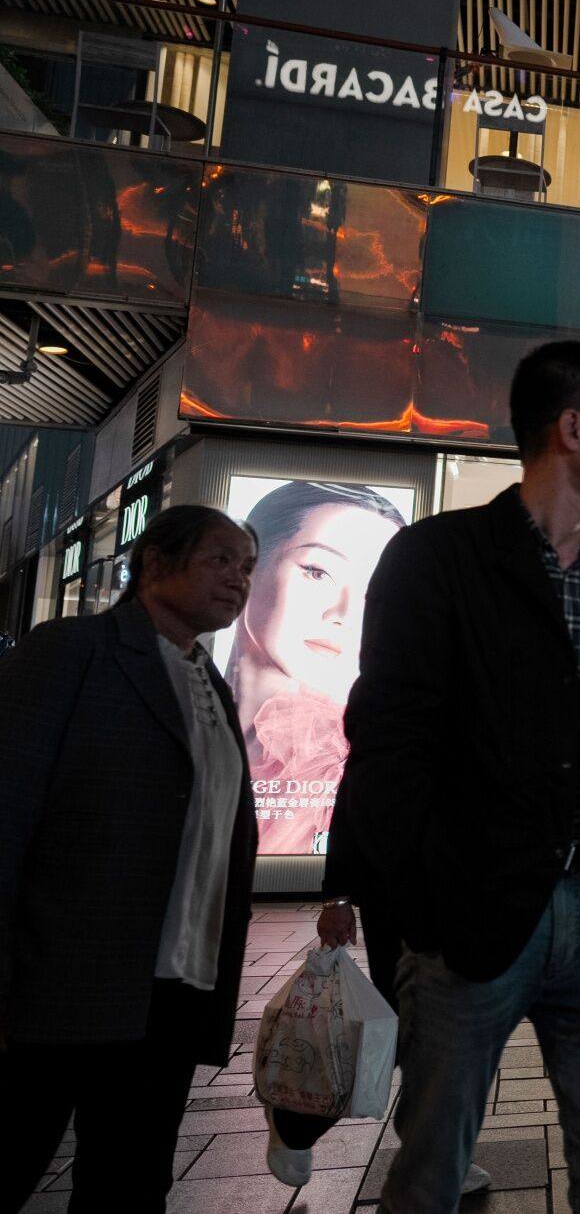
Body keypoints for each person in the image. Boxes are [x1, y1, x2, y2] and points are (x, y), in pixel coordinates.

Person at [333, 340, 580, 1213]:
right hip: (472, 914)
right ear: (572, 427)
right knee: (432, 1165)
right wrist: (403, 901)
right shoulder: (438, 557)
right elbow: (389, 736)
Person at [0, 506, 260, 1214]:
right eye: (221, 559)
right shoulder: (71, 651)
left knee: (132, 1179)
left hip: (173, 987)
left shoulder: (214, 686)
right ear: (152, 562)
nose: (238, 578)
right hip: (58, 981)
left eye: (247, 566)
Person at [225, 480, 408, 856]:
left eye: (373, 592)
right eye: (317, 572)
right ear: (250, 568)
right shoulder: (192, 693)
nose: (342, 615)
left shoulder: (331, 756)